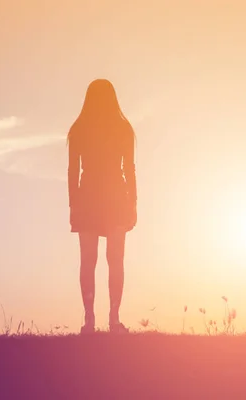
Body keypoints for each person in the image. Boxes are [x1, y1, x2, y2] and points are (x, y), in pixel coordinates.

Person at [67, 79, 137, 334]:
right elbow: (129, 168)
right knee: (115, 260)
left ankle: (89, 320)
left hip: (88, 197)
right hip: (116, 197)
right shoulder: (123, 128)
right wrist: (133, 202)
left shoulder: (79, 129)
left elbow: (72, 171)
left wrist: (73, 204)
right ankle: (114, 319)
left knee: (88, 261)